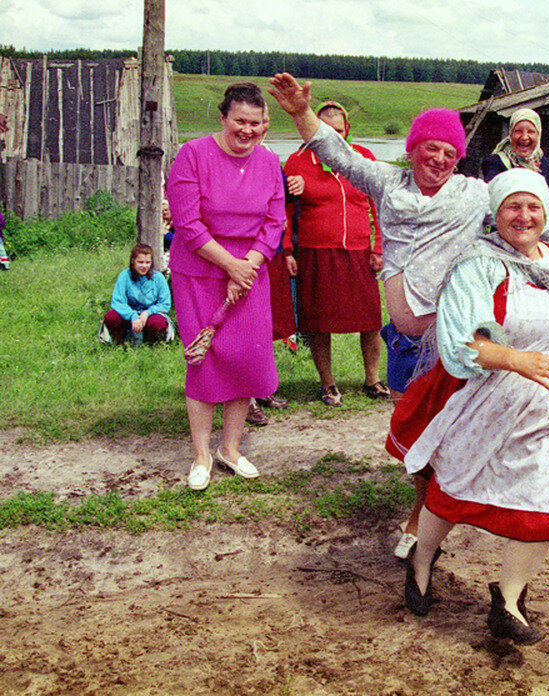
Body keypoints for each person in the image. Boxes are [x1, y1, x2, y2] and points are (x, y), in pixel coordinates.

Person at [268, 72, 549, 559]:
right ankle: (429, 513)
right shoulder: (385, 181)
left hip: (460, 341)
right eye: (430, 148)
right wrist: (299, 112)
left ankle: (440, 517)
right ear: (413, 147)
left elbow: (535, 213)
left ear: (458, 156)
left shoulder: (471, 193)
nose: (439, 159)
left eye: (449, 151)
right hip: (407, 340)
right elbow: (333, 151)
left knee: (453, 430)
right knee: (419, 434)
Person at [401, 168, 549, 644]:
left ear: (546, 212)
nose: (525, 216)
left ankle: (509, 602)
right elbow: (462, 342)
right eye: (513, 206)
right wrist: (513, 358)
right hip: (489, 396)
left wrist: (540, 368)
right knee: (454, 489)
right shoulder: (477, 265)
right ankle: (422, 560)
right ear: (496, 213)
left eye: (534, 207)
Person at [166, 82, 285, 491]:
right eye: (240, 121)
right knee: (204, 357)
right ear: (223, 118)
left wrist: (248, 265)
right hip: (201, 271)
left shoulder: (270, 164)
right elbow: (187, 221)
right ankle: (201, 453)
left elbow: (275, 221)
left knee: (244, 358)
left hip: (251, 272)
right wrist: (230, 265)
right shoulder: (192, 155)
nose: (247, 130)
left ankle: (230, 449)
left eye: (256, 123)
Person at [282, 100, 389, 405]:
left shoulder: (363, 158)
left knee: (369, 319)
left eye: (339, 132)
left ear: (347, 130)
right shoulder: (298, 161)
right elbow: (285, 213)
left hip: (359, 250)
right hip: (317, 252)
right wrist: (288, 250)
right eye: (327, 131)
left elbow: (379, 206)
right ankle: (328, 384)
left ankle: (372, 380)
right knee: (319, 322)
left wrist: (379, 247)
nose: (334, 138)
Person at [481, 108, 549, 211]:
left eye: (531, 131)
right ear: (511, 134)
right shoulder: (495, 164)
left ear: (538, 135)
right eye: (518, 131)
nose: (524, 137)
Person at [100, 242, 173, 345]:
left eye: (147, 262)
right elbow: (117, 302)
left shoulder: (158, 278)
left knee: (158, 322)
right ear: (133, 261)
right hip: (129, 314)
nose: (144, 266)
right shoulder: (124, 276)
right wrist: (132, 315)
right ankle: (119, 344)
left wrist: (147, 313)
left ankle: (151, 345)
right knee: (111, 316)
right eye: (140, 262)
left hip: (150, 316)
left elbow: (164, 304)